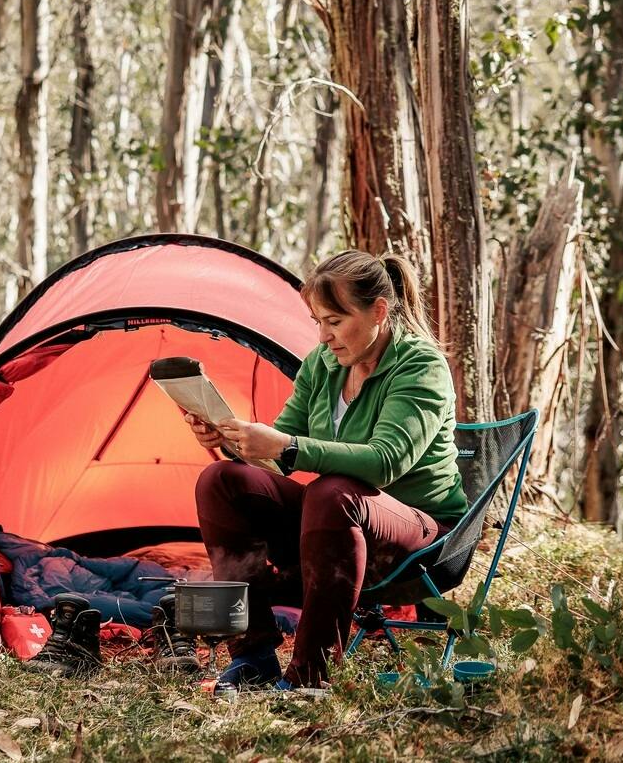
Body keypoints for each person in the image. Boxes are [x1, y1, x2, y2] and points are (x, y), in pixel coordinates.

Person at [181, 248, 466, 690]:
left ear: (378, 311)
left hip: (421, 538)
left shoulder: (421, 367)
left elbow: (385, 460)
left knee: (334, 491)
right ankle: (252, 654)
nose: (322, 337)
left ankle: (311, 672)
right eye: (317, 322)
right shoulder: (323, 365)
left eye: (334, 321)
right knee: (222, 482)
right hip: (342, 520)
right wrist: (232, 442)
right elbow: (279, 456)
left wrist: (290, 446)